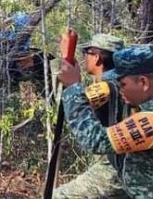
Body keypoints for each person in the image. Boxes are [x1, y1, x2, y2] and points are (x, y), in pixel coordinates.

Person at [59, 45, 153, 198]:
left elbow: (95, 140)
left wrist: (73, 88)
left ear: (143, 82)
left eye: (123, 85)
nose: (121, 91)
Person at [53, 34, 126, 199]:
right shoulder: (125, 83)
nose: (84, 57)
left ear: (97, 57)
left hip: (113, 168)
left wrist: (69, 77)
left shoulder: (104, 88)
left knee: (58, 196)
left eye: (86, 52)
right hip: (119, 165)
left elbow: (64, 105)